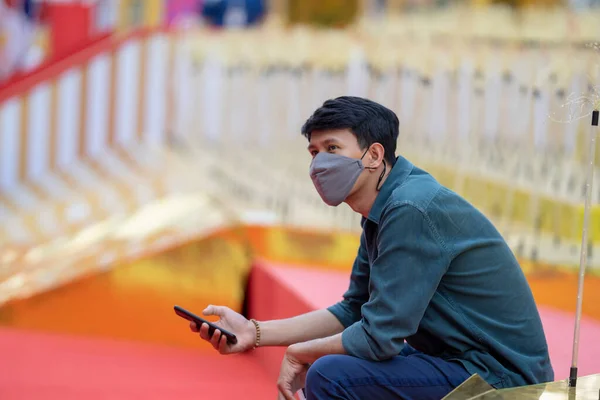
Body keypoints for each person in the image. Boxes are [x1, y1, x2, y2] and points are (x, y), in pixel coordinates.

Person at [190, 96, 554, 399]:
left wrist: (303, 352)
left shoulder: (410, 207)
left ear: (374, 155)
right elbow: (353, 310)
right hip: (457, 360)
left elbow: (378, 339)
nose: (319, 164)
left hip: (501, 380)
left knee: (333, 375)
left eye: (333, 148)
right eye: (314, 152)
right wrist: (254, 333)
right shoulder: (385, 207)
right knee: (335, 364)